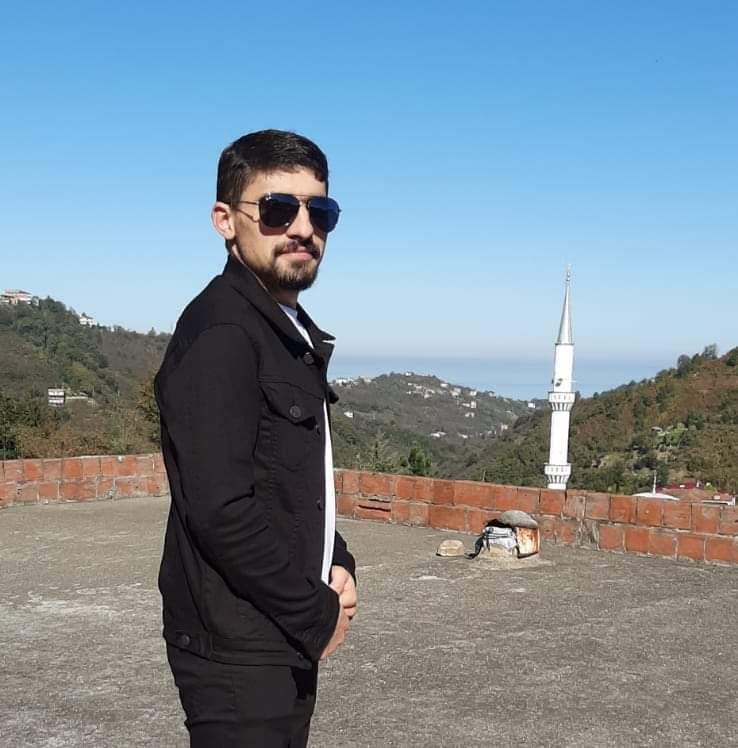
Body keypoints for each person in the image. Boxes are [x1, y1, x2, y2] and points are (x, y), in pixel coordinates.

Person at [155, 129, 357, 746]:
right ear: (226, 220)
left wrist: (337, 562)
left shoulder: (282, 328)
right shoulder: (224, 333)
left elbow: (288, 483)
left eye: (320, 211)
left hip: (274, 634)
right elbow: (221, 508)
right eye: (277, 209)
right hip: (238, 646)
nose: (303, 228)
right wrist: (314, 613)